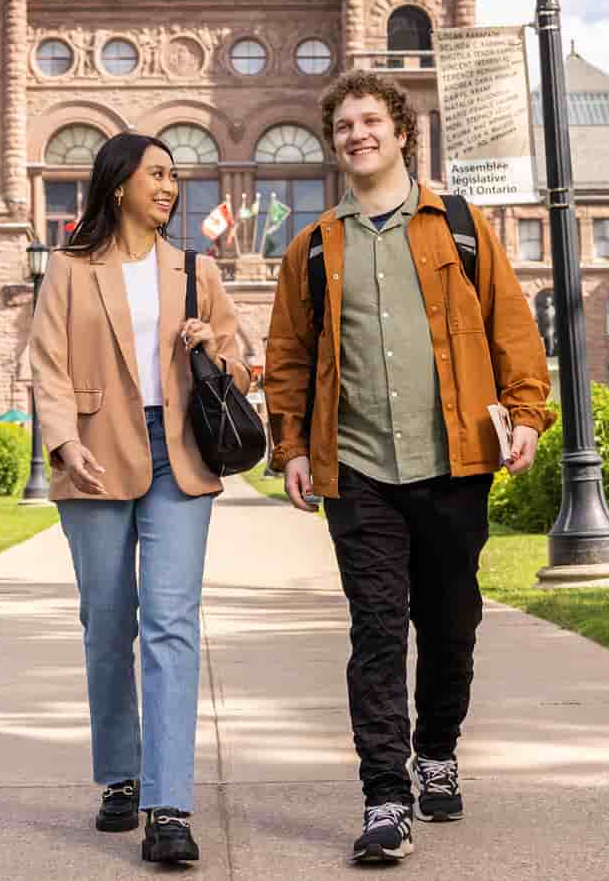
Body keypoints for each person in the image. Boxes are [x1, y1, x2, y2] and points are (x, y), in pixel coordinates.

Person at [264, 70, 555, 864]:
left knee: (451, 621)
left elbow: (512, 327)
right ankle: (385, 795)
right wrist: (289, 445)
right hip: (358, 470)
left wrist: (527, 413)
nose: (357, 134)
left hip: (455, 462)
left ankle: (437, 750)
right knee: (378, 630)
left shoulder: (459, 225)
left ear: (399, 132)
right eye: (344, 126)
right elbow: (287, 356)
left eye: (370, 121)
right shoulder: (313, 246)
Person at [29, 132, 250, 865]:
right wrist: (63, 442)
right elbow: (47, 365)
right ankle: (120, 774)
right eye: (157, 172)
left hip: (177, 453)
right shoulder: (67, 270)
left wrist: (207, 346)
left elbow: (240, 364)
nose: (169, 185)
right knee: (107, 622)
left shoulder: (195, 270)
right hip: (93, 455)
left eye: (174, 175)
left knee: (171, 621)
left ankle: (168, 804)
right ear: (118, 182)